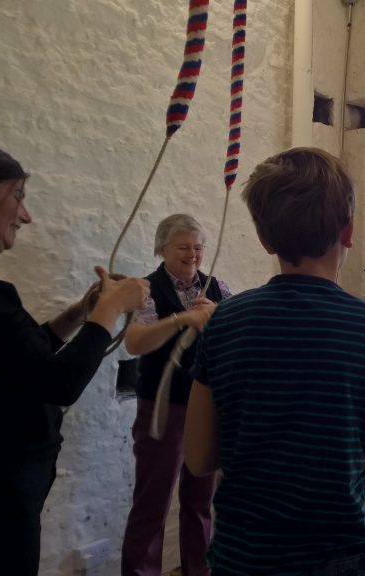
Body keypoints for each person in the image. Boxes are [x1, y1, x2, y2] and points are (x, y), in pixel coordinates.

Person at [0, 135, 149, 575]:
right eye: (17, 196)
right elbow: (59, 382)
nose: (26, 214)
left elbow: (18, 360)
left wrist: (81, 313)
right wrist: (112, 308)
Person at [182, 147, 365, 576]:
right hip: (338, 554)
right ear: (349, 230)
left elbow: (198, 457)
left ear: (264, 238)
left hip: (244, 553)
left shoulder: (224, 321)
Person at [121, 214, 231, 576]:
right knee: (153, 501)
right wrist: (179, 320)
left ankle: (198, 570)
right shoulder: (148, 289)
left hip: (205, 407)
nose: (193, 255)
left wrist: (218, 316)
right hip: (162, 407)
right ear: (162, 249)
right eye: (183, 247)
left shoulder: (216, 288)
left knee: (201, 501)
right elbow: (136, 342)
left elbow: (236, 331)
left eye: (198, 247)